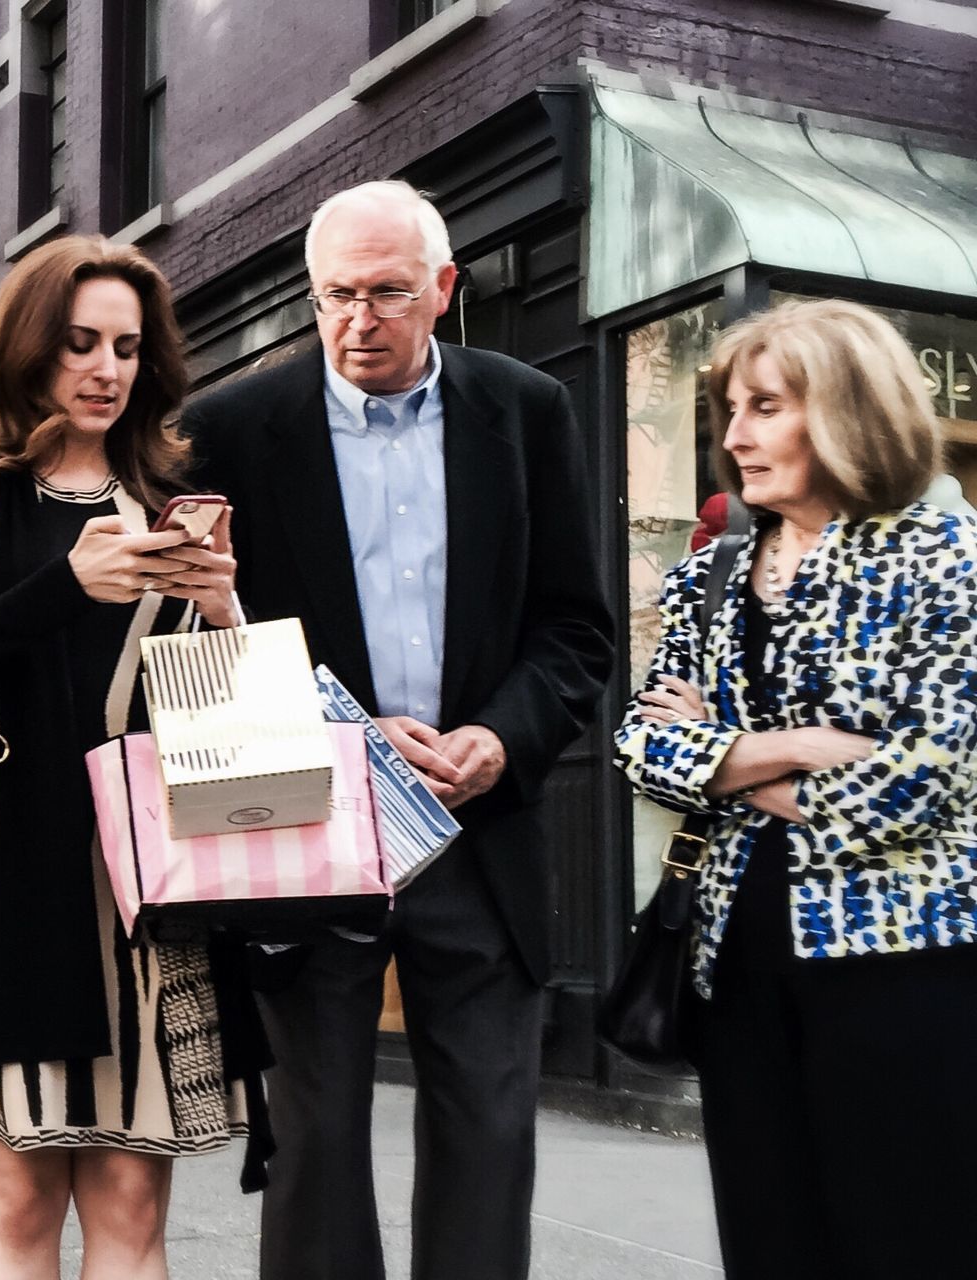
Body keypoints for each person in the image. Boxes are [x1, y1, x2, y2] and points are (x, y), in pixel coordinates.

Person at [182, 181, 613, 1280]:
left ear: (442, 289)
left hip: (478, 834)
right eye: (335, 295)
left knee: (486, 1131)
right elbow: (200, 641)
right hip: (312, 831)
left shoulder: (523, 409)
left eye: (385, 293)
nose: (357, 321)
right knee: (313, 1140)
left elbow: (573, 630)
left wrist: (498, 740)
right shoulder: (233, 430)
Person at [0, 236, 269, 1280]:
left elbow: (223, 721)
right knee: (23, 1198)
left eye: (127, 347)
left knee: (134, 1202)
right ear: (31, 348)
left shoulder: (164, 494)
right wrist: (59, 588)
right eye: (80, 341)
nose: (105, 367)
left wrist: (222, 607)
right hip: (10, 888)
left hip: (151, 895)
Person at [615, 297, 977, 1279]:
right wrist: (800, 747)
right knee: (769, 1241)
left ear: (846, 411)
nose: (731, 434)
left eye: (763, 406)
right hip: (734, 960)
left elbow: (910, 786)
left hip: (901, 966)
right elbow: (639, 745)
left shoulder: (942, 558)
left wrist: (720, 753)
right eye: (729, 408)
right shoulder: (710, 574)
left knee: (907, 1238)